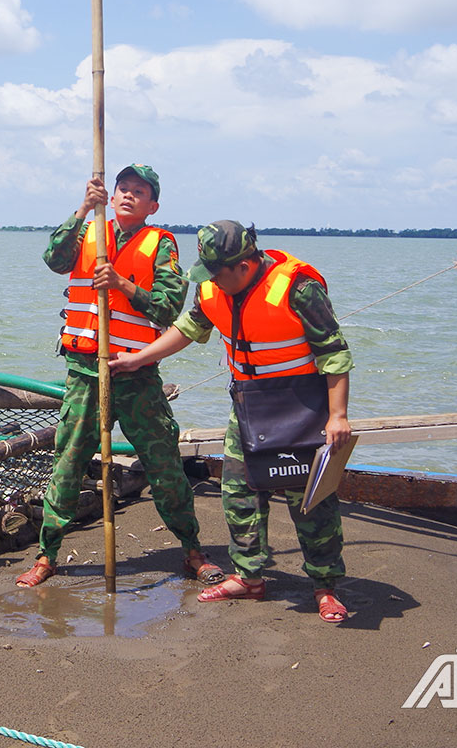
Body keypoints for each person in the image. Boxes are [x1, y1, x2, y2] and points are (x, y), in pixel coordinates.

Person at [111, 220, 353, 622]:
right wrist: (140, 358)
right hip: (248, 405)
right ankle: (248, 577)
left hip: (302, 407)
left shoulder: (298, 288)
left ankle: (325, 586)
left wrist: (338, 415)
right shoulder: (213, 289)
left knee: (310, 502)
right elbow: (189, 328)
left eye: (218, 273)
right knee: (239, 494)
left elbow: (334, 353)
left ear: (244, 264)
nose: (214, 282)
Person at [15, 164, 219, 588]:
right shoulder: (90, 230)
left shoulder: (161, 244)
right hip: (85, 371)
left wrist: (123, 285)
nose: (127, 195)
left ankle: (192, 550)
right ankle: (47, 554)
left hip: (137, 373)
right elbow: (53, 259)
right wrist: (82, 208)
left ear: (152, 205)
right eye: (122, 189)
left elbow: (166, 308)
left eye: (138, 191)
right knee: (68, 463)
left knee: (164, 464)